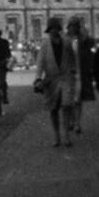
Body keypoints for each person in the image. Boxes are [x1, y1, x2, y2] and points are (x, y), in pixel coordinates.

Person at [35, 17, 78, 146]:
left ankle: (66, 136)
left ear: (59, 29)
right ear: (49, 30)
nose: (54, 31)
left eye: (56, 29)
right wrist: (38, 78)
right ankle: (56, 136)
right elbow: (40, 62)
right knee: (53, 109)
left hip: (65, 78)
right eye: (51, 29)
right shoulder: (45, 44)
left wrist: (73, 69)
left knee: (66, 106)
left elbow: (72, 57)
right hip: (51, 79)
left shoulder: (66, 42)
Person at [67, 17, 94, 135]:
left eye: (75, 26)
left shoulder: (83, 39)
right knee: (69, 100)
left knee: (77, 99)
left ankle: (77, 123)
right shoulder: (65, 39)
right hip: (68, 74)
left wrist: (84, 31)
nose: (73, 28)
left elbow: (91, 42)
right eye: (71, 26)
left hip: (79, 73)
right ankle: (72, 121)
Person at [0, 27, 12, 105]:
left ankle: (4, 96)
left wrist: (5, 59)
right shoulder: (3, 42)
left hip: (0, 63)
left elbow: (8, 53)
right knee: (1, 80)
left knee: (2, 80)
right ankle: (4, 96)